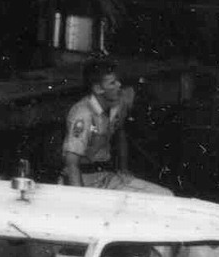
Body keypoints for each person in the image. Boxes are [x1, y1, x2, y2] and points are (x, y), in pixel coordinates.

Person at [61, 59, 172, 195]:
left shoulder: (117, 105)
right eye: (112, 83)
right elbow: (71, 163)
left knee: (165, 195)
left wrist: (123, 169)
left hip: (107, 176)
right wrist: (80, 197)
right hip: (83, 180)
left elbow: (120, 132)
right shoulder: (83, 114)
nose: (119, 85)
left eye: (117, 81)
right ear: (98, 89)